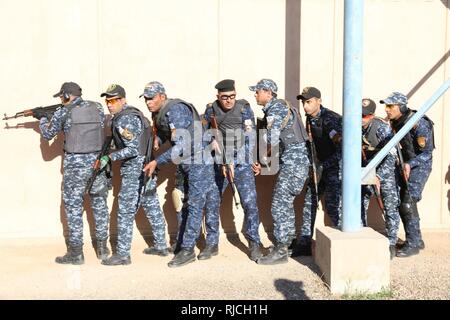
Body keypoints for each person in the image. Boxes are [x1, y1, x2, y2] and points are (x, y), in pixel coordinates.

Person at [141, 81, 220, 268]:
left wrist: (157, 160)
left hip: (198, 159)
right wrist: (158, 140)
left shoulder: (175, 110)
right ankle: (185, 243)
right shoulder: (161, 112)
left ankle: (188, 250)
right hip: (185, 161)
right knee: (181, 201)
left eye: (151, 98)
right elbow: (167, 132)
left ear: (162, 96)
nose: (148, 103)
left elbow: (183, 144)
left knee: (194, 204)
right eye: (145, 99)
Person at [38, 82, 110, 265]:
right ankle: (103, 249)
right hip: (97, 164)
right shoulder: (98, 107)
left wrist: (43, 120)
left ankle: (76, 253)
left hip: (75, 167)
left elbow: (48, 134)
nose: (61, 100)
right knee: (99, 204)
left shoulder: (64, 112)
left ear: (67, 96)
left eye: (62, 97)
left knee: (73, 208)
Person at [99, 84, 168, 266]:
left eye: (113, 101)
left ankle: (122, 254)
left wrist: (110, 156)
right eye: (107, 101)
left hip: (134, 171)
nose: (109, 105)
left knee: (125, 212)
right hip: (147, 168)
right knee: (152, 206)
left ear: (122, 100)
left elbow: (132, 149)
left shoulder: (124, 120)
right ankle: (161, 245)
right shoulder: (135, 114)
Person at [250, 79, 310, 265]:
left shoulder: (275, 108)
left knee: (279, 204)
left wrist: (259, 159)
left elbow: (271, 139)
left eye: (258, 91)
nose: (255, 95)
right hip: (294, 162)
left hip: (294, 163)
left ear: (268, 92)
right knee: (285, 203)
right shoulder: (282, 107)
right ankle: (288, 242)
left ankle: (281, 250)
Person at [202, 79, 262, 261]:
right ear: (218, 96)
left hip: (241, 160)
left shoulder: (244, 108)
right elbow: (205, 134)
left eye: (232, 96)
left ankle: (254, 243)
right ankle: (211, 244)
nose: (228, 101)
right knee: (212, 202)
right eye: (224, 97)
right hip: (219, 162)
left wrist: (248, 159)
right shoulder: (211, 109)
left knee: (249, 203)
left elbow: (250, 136)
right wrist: (217, 153)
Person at [381, 92, 434, 257]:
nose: (387, 110)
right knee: (403, 203)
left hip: (420, 166)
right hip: (405, 166)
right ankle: (416, 239)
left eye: (391, 106)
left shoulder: (419, 123)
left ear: (401, 107)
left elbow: (427, 153)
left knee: (407, 203)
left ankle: (413, 244)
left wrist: (410, 164)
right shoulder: (396, 122)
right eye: (386, 106)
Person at [293, 87, 342, 256]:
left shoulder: (331, 120)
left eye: (309, 102)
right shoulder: (308, 119)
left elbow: (343, 150)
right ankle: (305, 242)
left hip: (335, 169)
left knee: (333, 206)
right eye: (303, 102)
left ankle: (341, 244)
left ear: (318, 101)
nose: (305, 106)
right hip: (318, 169)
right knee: (309, 202)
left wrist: (323, 166)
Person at [360, 98, 401, 259]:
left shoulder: (381, 128)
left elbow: (391, 156)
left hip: (385, 170)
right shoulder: (354, 127)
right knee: (361, 201)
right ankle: (361, 234)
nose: (361, 119)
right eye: (359, 115)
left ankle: (391, 242)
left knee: (390, 204)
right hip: (367, 169)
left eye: (365, 116)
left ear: (372, 115)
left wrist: (379, 176)